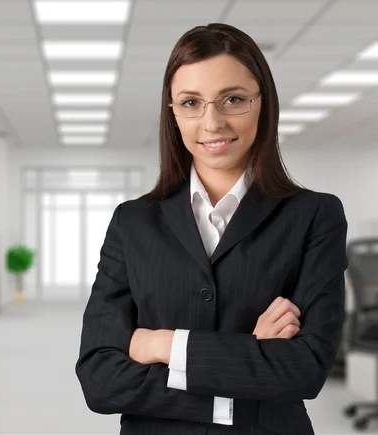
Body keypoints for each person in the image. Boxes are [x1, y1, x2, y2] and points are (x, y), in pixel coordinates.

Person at [75, 23, 348, 435]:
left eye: (233, 99)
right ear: (173, 112)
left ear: (263, 103)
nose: (212, 122)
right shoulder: (132, 222)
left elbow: (305, 370)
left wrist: (161, 345)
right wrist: (249, 355)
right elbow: (99, 380)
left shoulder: (314, 216)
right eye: (191, 102)